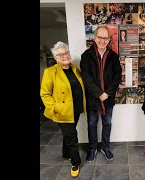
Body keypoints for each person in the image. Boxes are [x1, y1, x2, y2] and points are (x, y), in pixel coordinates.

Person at [40, 41, 86, 177]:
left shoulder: (74, 69)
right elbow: (44, 93)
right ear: (55, 58)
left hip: (75, 110)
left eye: (66, 53)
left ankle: (66, 154)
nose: (65, 56)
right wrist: (55, 107)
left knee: (69, 134)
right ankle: (75, 163)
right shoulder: (50, 72)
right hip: (62, 112)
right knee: (72, 137)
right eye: (61, 54)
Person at [80, 26, 122, 162]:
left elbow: (117, 77)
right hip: (93, 98)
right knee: (92, 124)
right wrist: (99, 94)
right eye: (100, 37)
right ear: (95, 38)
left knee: (107, 124)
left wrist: (107, 94)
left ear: (109, 39)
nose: (102, 41)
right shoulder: (86, 56)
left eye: (105, 38)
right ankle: (92, 148)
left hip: (108, 99)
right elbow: (86, 78)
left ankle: (105, 147)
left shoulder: (114, 56)